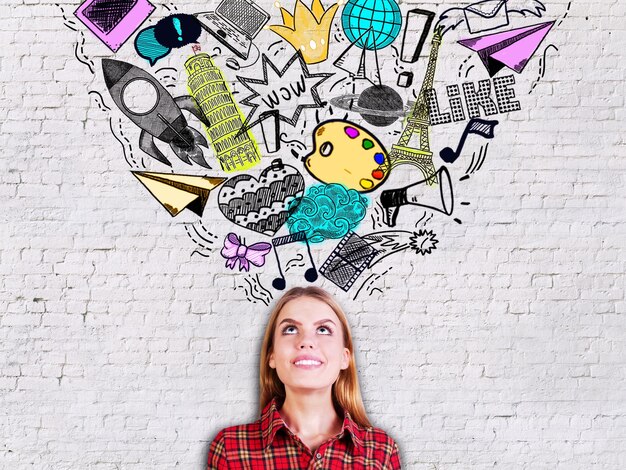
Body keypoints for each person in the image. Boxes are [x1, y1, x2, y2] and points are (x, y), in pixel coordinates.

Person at [207, 286, 401, 469]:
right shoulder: (230, 448)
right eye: (290, 329)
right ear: (271, 356)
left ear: (344, 358)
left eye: (323, 329)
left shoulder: (381, 451)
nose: (306, 341)